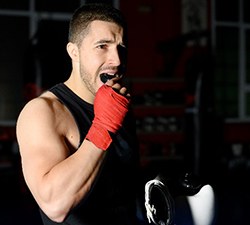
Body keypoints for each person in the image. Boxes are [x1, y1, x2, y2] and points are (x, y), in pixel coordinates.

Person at [16, 3, 142, 225]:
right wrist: (104, 126)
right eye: (102, 46)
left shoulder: (120, 106)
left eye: (121, 48)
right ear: (73, 52)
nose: (117, 60)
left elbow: (119, 189)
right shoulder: (43, 112)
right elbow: (55, 205)